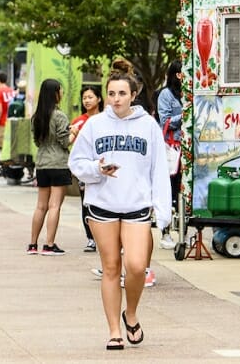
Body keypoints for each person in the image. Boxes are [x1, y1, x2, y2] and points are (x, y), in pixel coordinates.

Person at [68, 59, 171, 351]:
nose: (116, 100)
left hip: (137, 206)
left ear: (133, 94)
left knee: (136, 266)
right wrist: (97, 170)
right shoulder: (95, 125)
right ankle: (114, 330)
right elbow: (76, 162)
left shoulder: (148, 125)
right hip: (102, 206)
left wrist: (163, 211)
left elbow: (159, 170)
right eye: (111, 94)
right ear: (105, 96)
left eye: (122, 94)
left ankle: (132, 313)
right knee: (111, 267)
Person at [27, 78, 71, 256]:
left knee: (40, 206)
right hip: (59, 163)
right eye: (60, 90)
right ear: (55, 94)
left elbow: (37, 142)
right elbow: (65, 141)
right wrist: (73, 132)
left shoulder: (36, 117)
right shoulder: (60, 116)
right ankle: (49, 245)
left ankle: (32, 244)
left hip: (42, 164)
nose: (61, 94)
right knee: (54, 206)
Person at [69, 86, 104, 253]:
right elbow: (70, 144)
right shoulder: (78, 121)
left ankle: (105, 238)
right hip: (87, 169)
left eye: (90, 97)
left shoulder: (107, 118)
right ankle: (91, 238)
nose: (87, 100)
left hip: (104, 167)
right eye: (84, 98)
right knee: (86, 203)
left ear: (99, 99)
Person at [156, 60, 183, 250]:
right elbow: (165, 121)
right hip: (171, 148)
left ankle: (183, 230)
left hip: (188, 149)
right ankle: (165, 231)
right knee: (169, 189)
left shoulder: (190, 93)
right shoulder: (166, 95)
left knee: (184, 190)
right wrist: (185, 114)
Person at [0, 71, 14, 149]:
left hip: (2, 121)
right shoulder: (11, 91)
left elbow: (0, 109)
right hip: (11, 120)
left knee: (1, 145)